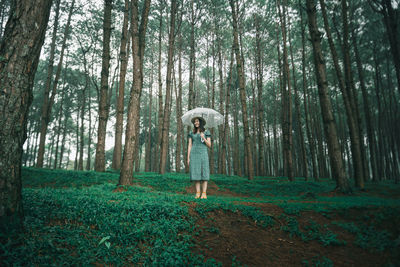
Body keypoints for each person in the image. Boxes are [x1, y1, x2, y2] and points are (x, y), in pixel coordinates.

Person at [187, 117, 212, 199]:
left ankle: (204, 193)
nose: (195, 123)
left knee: (204, 172)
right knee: (196, 173)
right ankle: (198, 193)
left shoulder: (206, 132)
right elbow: (190, 145)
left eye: (197, 121)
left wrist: (203, 137)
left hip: (203, 153)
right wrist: (188, 157)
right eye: (194, 122)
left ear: (200, 122)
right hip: (194, 154)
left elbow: (209, 145)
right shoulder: (191, 132)